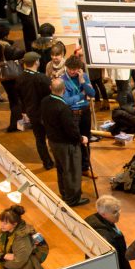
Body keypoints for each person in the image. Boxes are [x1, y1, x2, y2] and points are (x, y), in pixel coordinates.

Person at [42, 78, 89, 207]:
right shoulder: (63, 108)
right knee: (72, 171)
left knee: (61, 169)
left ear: (50, 88)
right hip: (66, 145)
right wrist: (81, 139)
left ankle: (64, 193)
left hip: (53, 142)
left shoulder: (45, 101)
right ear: (64, 90)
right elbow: (71, 130)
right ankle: (73, 199)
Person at [17, 52, 54, 170]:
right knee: (53, 137)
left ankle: (47, 162)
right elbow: (52, 94)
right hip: (46, 113)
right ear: (36, 62)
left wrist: (24, 111)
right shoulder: (42, 78)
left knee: (39, 139)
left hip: (32, 113)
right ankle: (58, 160)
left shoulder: (19, 78)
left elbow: (20, 97)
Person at [61, 57, 96, 176]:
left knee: (86, 140)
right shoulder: (62, 80)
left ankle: (85, 167)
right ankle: (74, 169)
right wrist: (82, 95)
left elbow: (92, 94)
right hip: (72, 114)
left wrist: (82, 82)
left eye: (75, 70)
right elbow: (66, 101)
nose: (72, 72)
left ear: (79, 69)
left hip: (85, 112)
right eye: (70, 69)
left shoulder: (84, 77)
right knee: (74, 141)